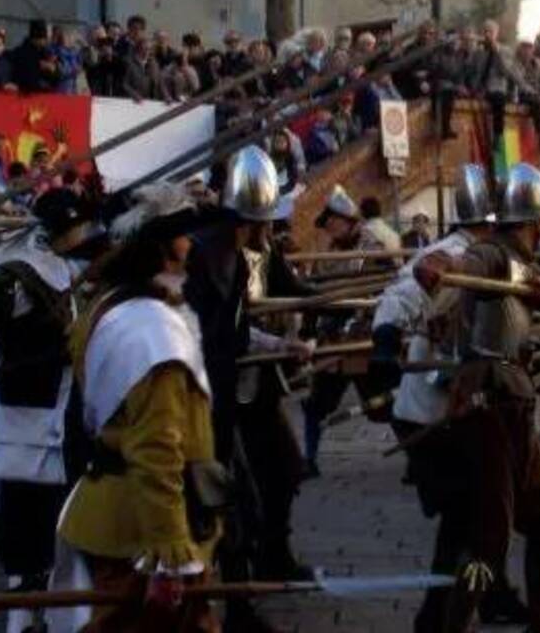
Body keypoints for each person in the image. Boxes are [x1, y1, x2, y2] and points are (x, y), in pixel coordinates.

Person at [413, 163, 540, 633]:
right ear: (533, 221)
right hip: (487, 407)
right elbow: (462, 270)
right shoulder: (491, 254)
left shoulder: (528, 267)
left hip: (515, 406)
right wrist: (440, 269)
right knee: (488, 543)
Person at [54, 183, 220, 632]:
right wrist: (172, 558)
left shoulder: (111, 306)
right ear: (160, 248)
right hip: (143, 528)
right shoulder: (151, 332)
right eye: (182, 236)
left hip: (121, 511)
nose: (190, 246)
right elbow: (156, 449)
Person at [0, 187, 106, 633]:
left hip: (60, 416)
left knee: (62, 526)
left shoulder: (54, 266)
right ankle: (24, 619)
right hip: (26, 417)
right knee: (27, 528)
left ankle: (62, 617)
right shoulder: (18, 276)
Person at [378, 164, 529, 631]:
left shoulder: (500, 257)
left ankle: (489, 594)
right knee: (466, 519)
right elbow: (399, 297)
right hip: (438, 413)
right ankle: (439, 615)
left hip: (467, 410)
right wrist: (384, 339)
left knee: (486, 511)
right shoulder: (452, 254)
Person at [185, 145, 315, 632]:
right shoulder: (207, 255)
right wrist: (277, 343)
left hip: (241, 383)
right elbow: (212, 332)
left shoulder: (244, 255)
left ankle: (242, 595)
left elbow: (243, 325)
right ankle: (220, 604)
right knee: (220, 503)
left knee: (264, 484)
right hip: (207, 395)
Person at [301, 185, 395, 476]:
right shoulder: (328, 256)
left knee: (390, 405)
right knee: (315, 405)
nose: (331, 229)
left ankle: (419, 463)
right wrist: (308, 331)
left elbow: (389, 288)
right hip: (333, 343)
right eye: (328, 226)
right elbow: (314, 297)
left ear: (349, 219)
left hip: (365, 338)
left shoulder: (373, 248)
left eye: (334, 223)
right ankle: (309, 459)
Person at [470, 19, 515, 147]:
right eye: (485, 31)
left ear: (496, 34)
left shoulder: (505, 51)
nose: (487, 34)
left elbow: (506, 71)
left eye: (490, 31)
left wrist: (496, 52)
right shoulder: (478, 52)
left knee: (499, 100)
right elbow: (472, 70)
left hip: (497, 88)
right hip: (481, 88)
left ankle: (498, 135)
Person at [512, 39, 540, 151]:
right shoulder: (515, 63)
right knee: (538, 103)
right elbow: (519, 82)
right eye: (524, 47)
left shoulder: (538, 64)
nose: (527, 50)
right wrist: (535, 93)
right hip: (521, 95)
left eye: (529, 47)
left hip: (537, 95)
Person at [11, 20, 61, 94]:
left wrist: (53, 70)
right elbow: (23, 76)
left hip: (44, 96)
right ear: (35, 38)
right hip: (25, 95)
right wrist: (38, 66)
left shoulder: (46, 53)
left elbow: (56, 78)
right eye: (43, 38)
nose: (46, 41)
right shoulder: (21, 52)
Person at [123, 36, 170, 103]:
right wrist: (134, 95)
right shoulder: (129, 63)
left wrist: (166, 95)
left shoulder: (154, 64)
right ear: (139, 49)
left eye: (150, 49)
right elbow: (125, 84)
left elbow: (160, 82)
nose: (148, 51)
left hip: (151, 101)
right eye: (145, 49)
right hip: (133, 102)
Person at [51, 27, 83, 95]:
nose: (69, 39)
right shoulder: (56, 51)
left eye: (70, 37)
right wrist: (73, 70)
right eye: (67, 37)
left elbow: (80, 64)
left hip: (73, 87)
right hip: (62, 87)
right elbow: (60, 70)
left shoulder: (74, 51)